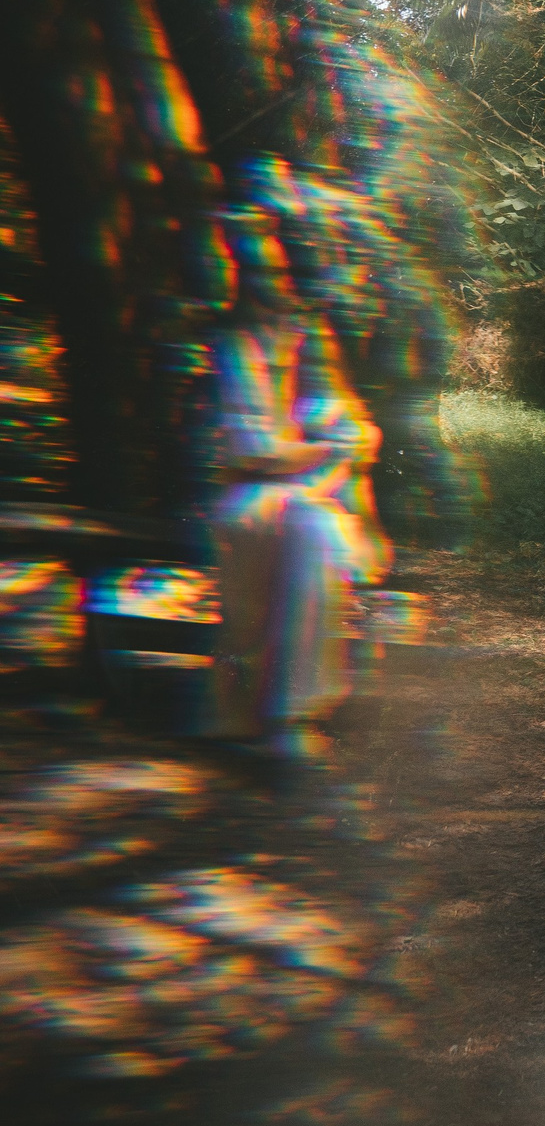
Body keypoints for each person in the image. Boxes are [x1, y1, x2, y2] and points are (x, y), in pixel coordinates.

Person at [203, 199, 390, 765]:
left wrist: (334, 446)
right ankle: (282, 713)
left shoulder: (310, 339)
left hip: (311, 494)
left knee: (316, 527)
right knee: (307, 528)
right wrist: (328, 450)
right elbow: (253, 451)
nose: (273, 286)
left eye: (278, 272)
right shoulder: (235, 348)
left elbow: (351, 425)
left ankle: (293, 712)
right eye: (258, 274)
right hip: (253, 497)